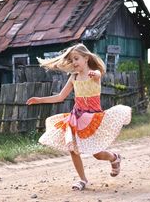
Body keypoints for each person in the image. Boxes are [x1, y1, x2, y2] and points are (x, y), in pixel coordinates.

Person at [26, 43, 131, 191]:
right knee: (73, 148)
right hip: (76, 118)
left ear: (86, 58)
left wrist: (96, 74)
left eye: (76, 58)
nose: (74, 62)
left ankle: (114, 157)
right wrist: (39, 100)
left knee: (98, 154)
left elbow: (99, 74)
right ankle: (82, 179)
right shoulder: (74, 76)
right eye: (72, 60)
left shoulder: (94, 74)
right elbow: (61, 97)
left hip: (92, 119)